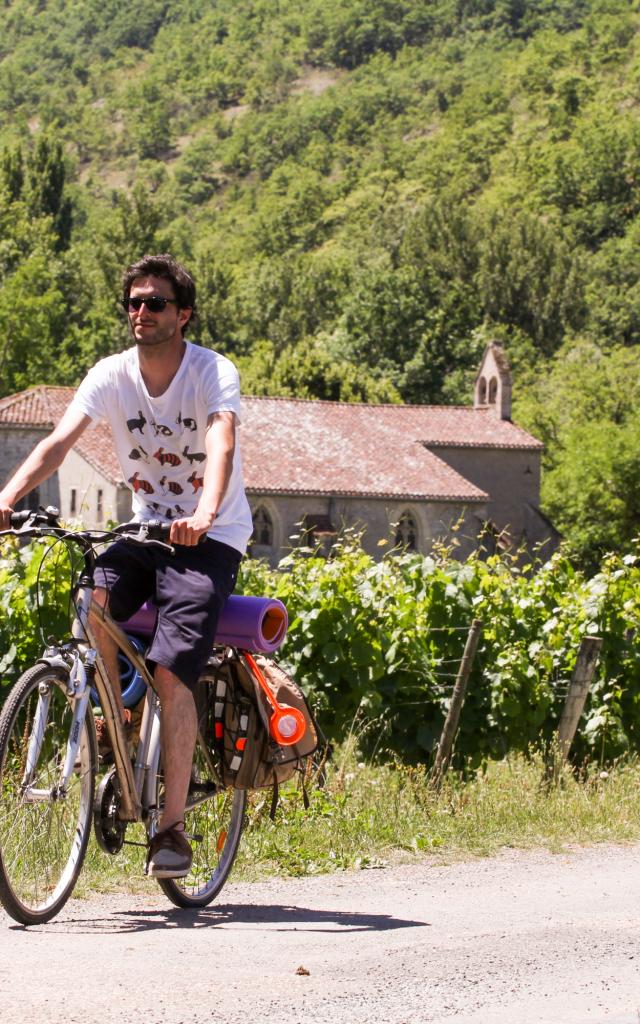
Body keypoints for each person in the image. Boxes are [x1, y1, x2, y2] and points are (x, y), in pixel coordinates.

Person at [0, 253, 253, 878]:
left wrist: (205, 510)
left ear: (183, 314)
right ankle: (113, 729)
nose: (141, 312)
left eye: (155, 303)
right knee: (92, 602)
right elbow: (59, 442)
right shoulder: (110, 375)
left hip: (209, 537)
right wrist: (6, 500)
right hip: (143, 530)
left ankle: (171, 827)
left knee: (172, 674)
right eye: (134, 303)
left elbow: (221, 439)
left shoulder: (212, 372)